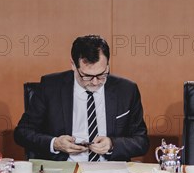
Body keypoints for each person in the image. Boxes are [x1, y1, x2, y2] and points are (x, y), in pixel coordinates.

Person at [15, 35, 149, 161]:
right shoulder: (50, 87)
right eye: (87, 76)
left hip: (109, 170)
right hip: (64, 170)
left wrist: (112, 144)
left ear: (107, 65)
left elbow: (141, 142)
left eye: (102, 74)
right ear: (73, 65)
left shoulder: (126, 90)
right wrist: (55, 143)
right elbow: (22, 133)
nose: (95, 82)